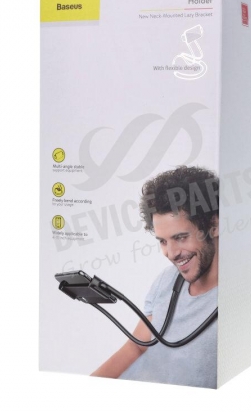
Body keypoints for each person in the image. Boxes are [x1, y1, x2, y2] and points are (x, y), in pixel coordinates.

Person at [91, 166, 219, 388]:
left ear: (214, 226)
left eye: (181, 237)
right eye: (163, 241)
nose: (171, 253)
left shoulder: (241, 297)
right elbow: (137, 346)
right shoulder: (167, 280)